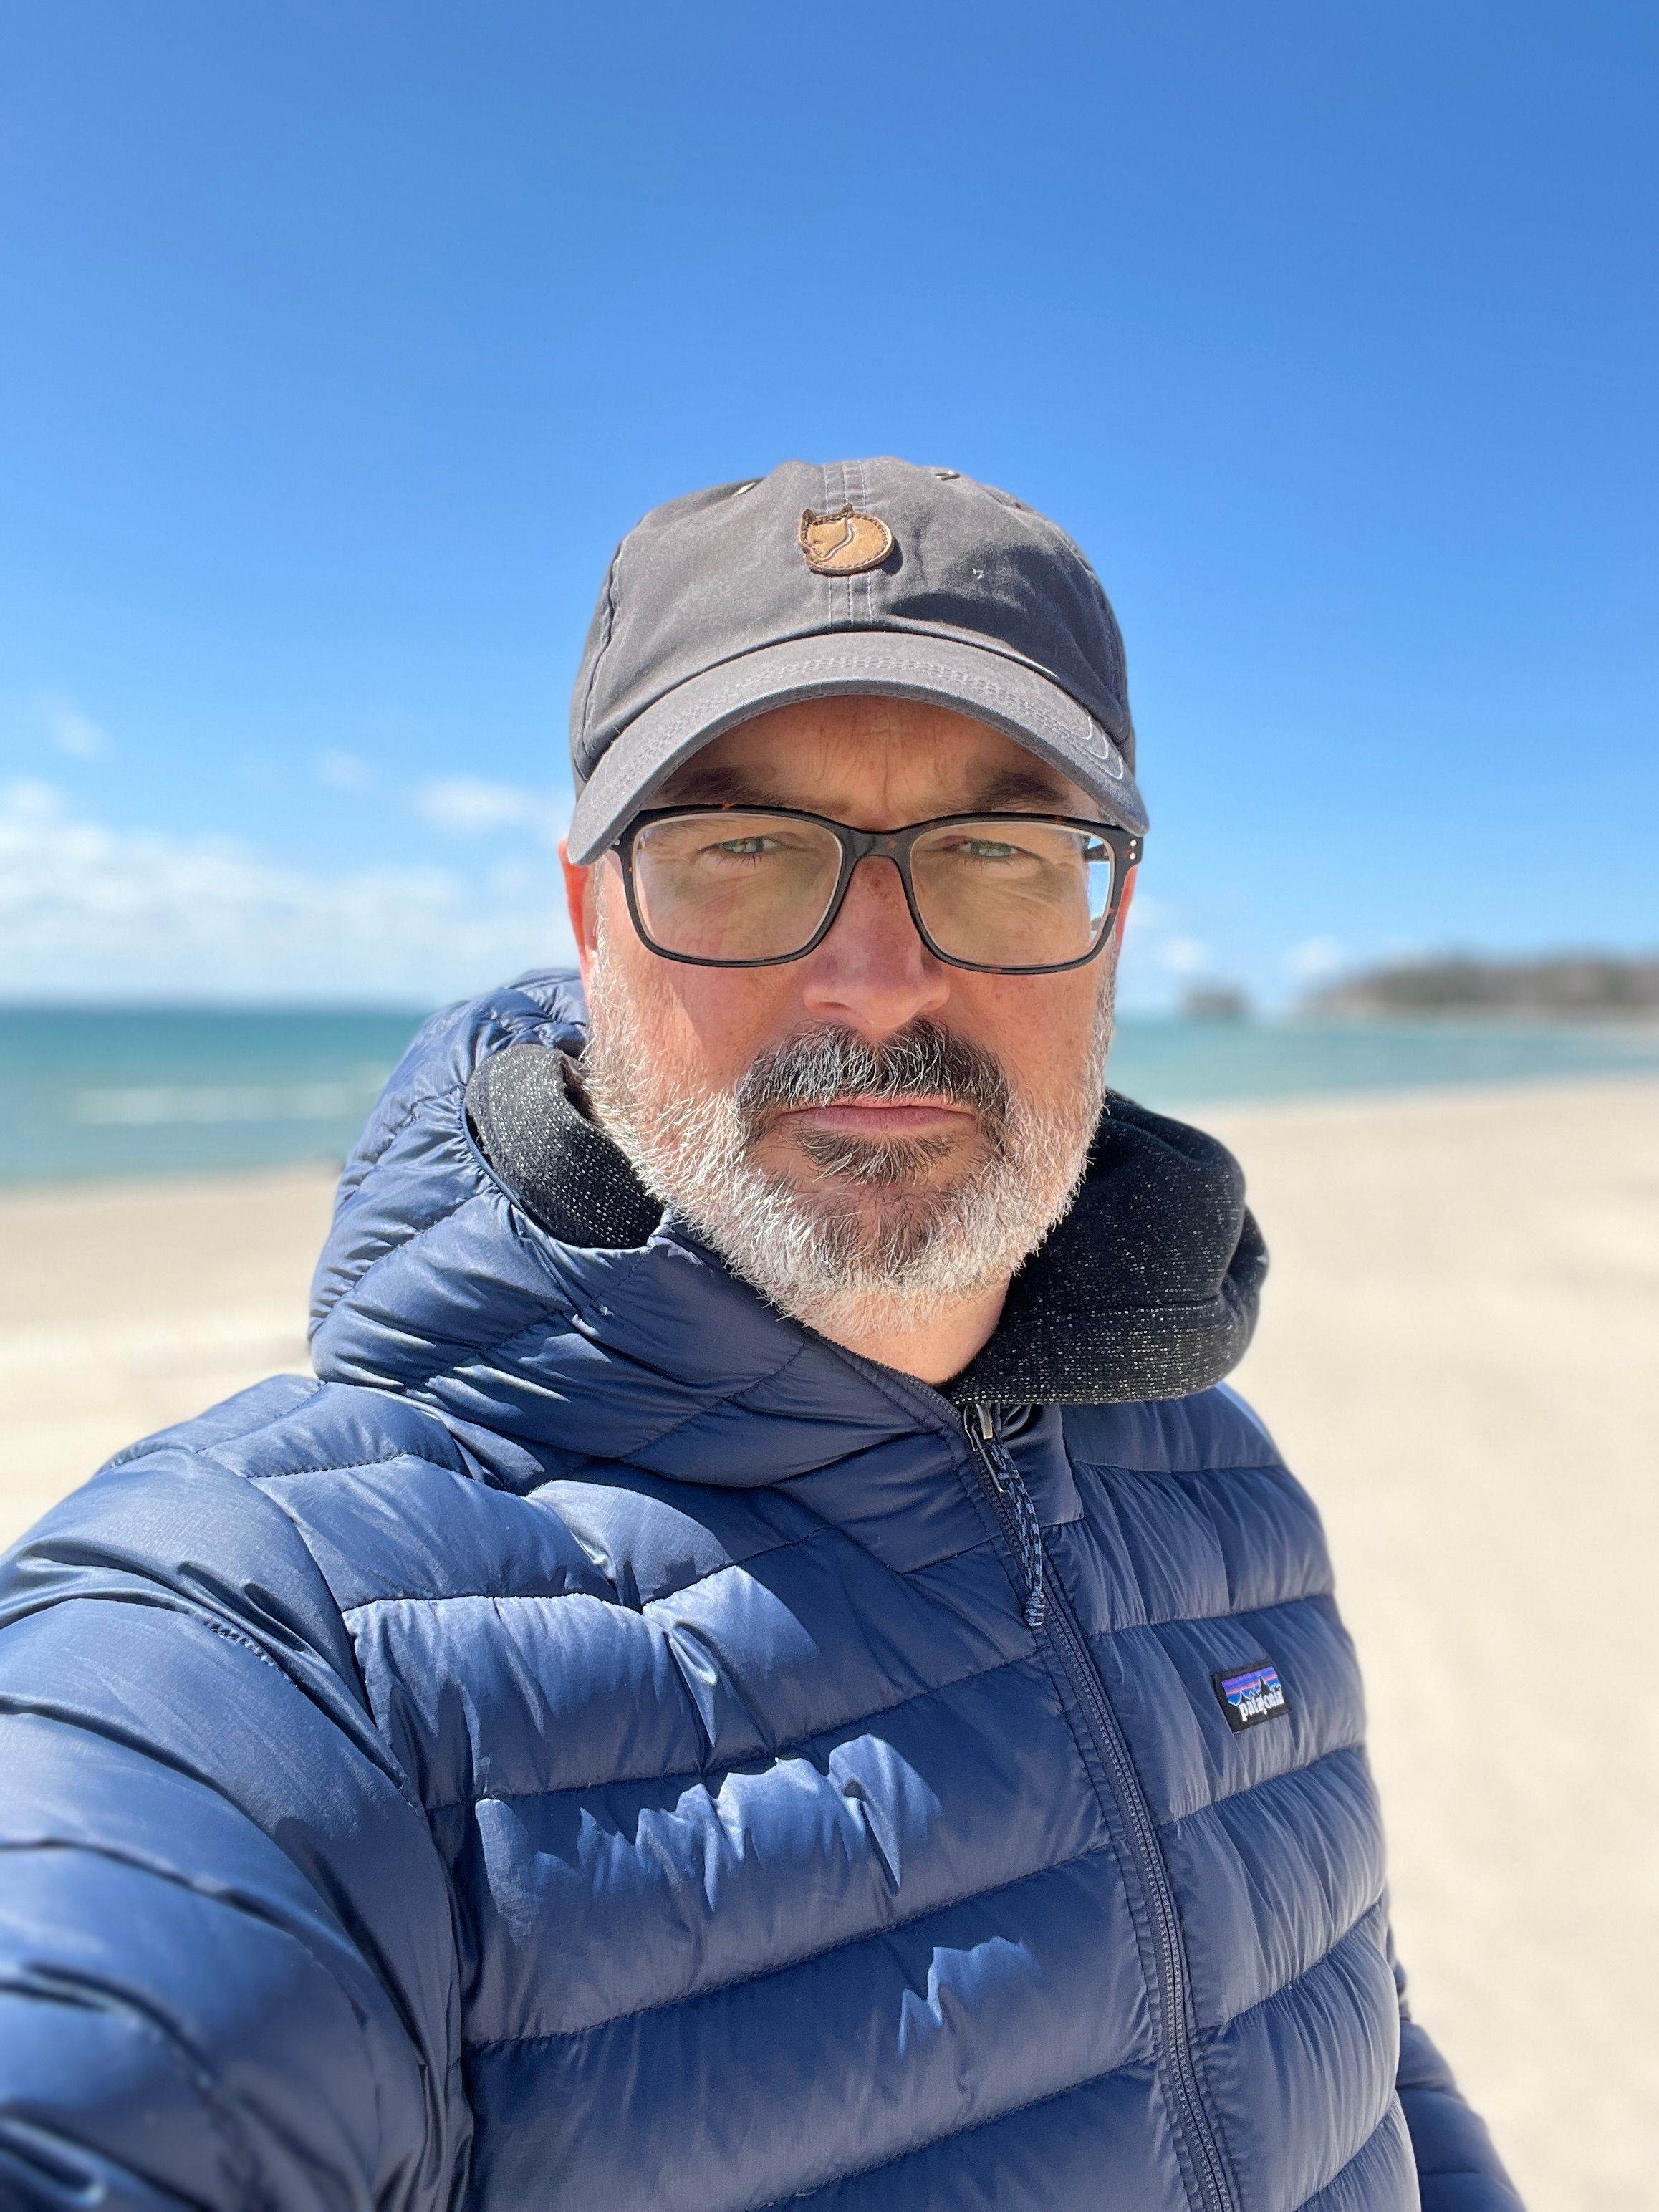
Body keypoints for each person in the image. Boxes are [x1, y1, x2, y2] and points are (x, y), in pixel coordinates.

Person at [0, 459, 1520, 2212]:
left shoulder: (1215, 1474)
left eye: (998, 852)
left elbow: (1349, 2016)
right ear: (589, 917)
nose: (878, 981)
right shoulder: (290, 1643)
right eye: (743, 846)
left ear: (1109, 927)